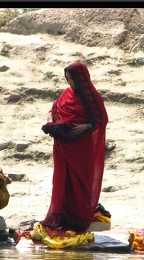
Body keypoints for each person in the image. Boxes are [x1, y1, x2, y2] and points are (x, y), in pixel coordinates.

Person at [40, 61, 108, 233]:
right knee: (63, 179)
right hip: (63, 146)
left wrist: (85, 127)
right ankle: (61, 215)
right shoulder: (66, 93)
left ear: (81, 78)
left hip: (81, 146)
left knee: (80, 181)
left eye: (72, 78)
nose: (70, 82)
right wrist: (51, 122)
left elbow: (101, 119)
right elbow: (54, 109)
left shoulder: (92, 96)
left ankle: (79, 216)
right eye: (68, 79)